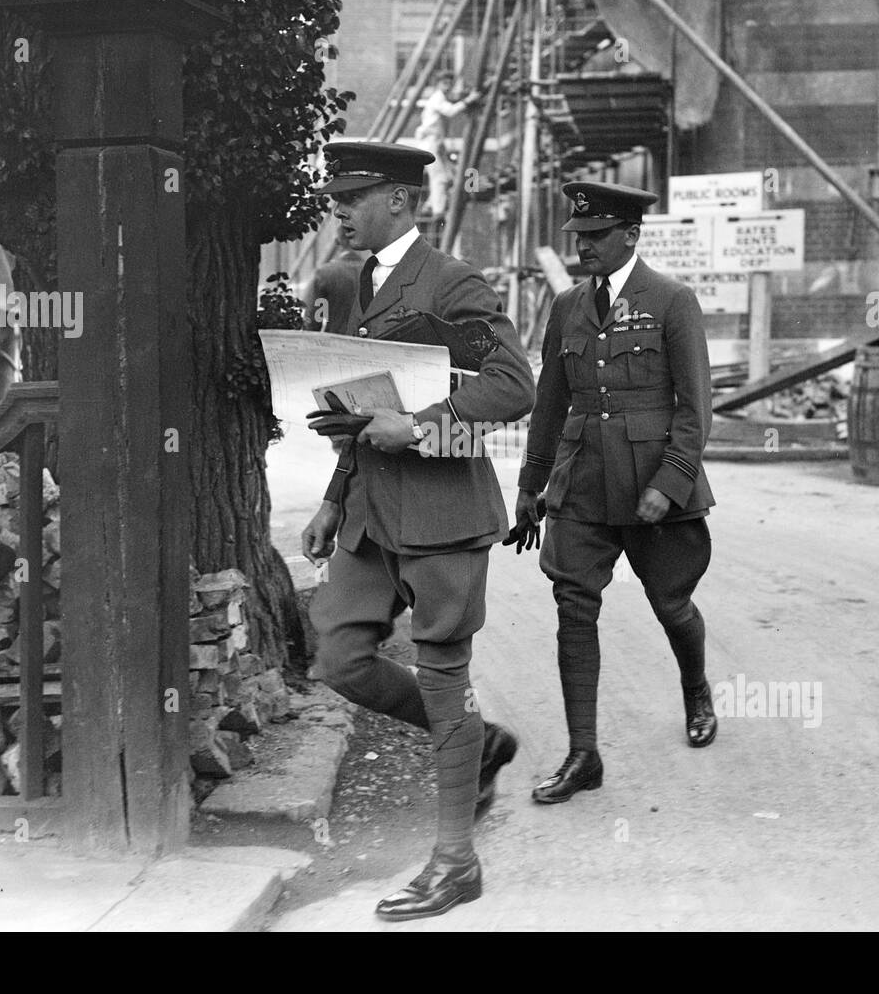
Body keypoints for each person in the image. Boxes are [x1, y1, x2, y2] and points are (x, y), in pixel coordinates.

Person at [301, 141, 535, 920]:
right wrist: (335, 495)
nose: (338, 207)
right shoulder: (357, 282)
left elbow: (513, 386)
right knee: (338, 656)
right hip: (370, 513)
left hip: (441, 513)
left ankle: (454, 862)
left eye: (353, 195)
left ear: (399, 200)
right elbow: (363, 404)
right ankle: (479, 743)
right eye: (336, 195)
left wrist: (426, 424)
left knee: (442, 673)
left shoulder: (452, 280)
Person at [511, 180, 718, 805]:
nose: (583, 250)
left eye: (596, 237)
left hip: (654, 488)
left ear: (631, 235)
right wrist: (531, 484)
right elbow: (550, 403)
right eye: (578, 239)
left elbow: (695, 406)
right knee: (574, 605)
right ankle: (584, 754)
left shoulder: (671, 301)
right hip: (582, 485)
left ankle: (696, 687)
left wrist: (672, 480)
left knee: (671, 603)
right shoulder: (567, 306)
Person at [414, 73, 481, 221]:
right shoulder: (437, 98)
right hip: (429, 143)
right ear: (437, 84)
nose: (448, 86)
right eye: (444, 83)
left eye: (450, 83)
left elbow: (454, 101)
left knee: (450, 176)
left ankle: (430, 205)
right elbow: (450, 110)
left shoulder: (443, 97)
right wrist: (469, 99)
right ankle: (438, 211)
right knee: (439, 177)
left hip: (437, 143)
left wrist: (466, 98)